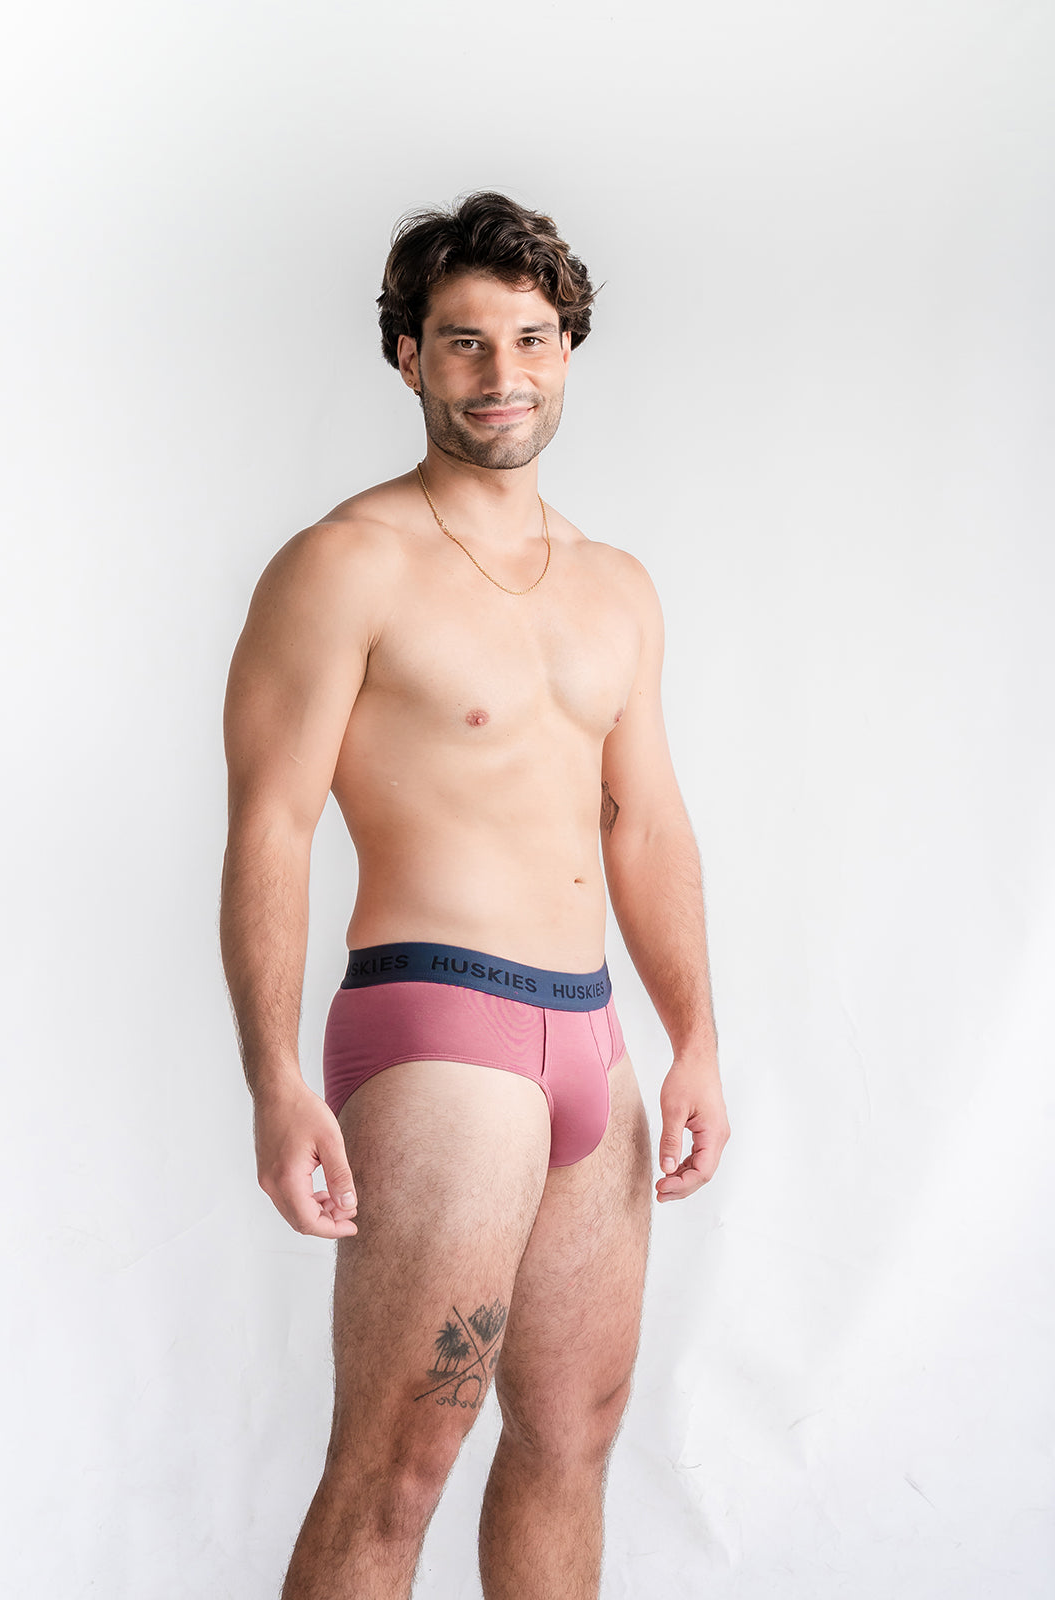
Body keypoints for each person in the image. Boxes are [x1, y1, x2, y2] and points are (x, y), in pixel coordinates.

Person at [219, 190, 730, 1600]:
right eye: (463, 343)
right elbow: (270, 826)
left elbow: (644, 822)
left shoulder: (616, 587)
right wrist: (274, 1077)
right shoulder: (346, 564)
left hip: (594, 1037)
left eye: (531, 339)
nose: (503, 374)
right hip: (438, 1027)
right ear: (408, 357)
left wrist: (694, 1036)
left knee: (575, 1440)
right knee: (398, 1463)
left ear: (568, 349)